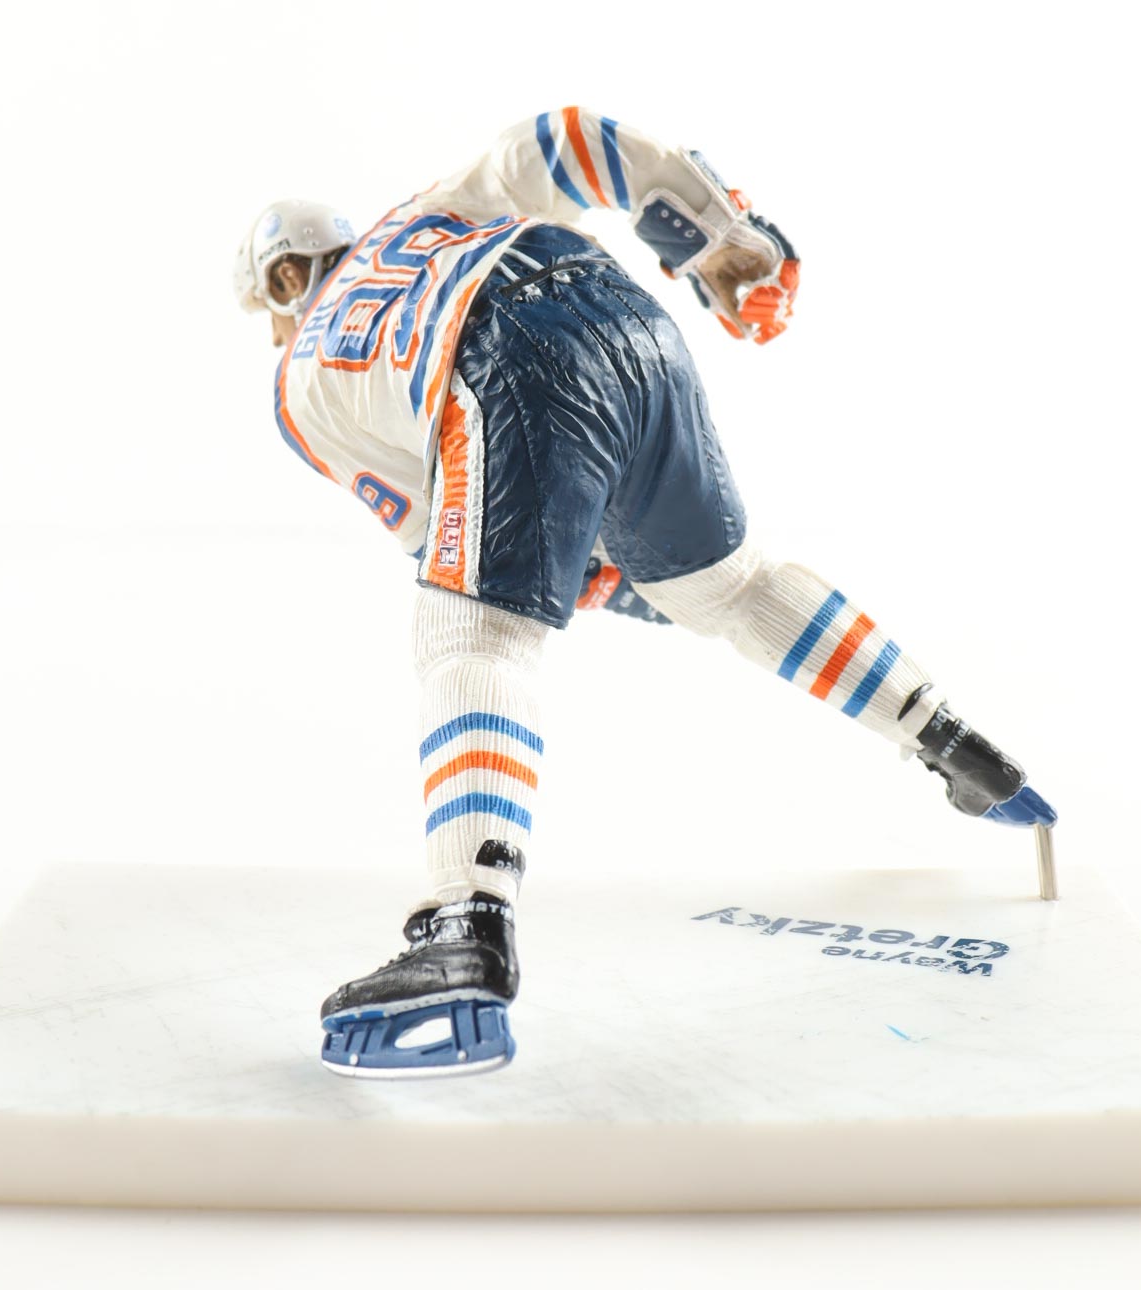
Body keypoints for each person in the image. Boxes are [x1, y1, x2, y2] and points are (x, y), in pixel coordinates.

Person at [232, 107, 1055, 1078]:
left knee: (471, 634)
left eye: (269, 309)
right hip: (628, 322)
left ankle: (466, 922)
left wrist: (569, 570)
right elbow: (562, 138)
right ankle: (945, 736)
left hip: (493, 358)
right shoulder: (430, 212)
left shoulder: (302, 382)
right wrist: (713, 230)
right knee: (736, 588)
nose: (274, 331)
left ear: (285, 280)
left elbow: (436, 526)